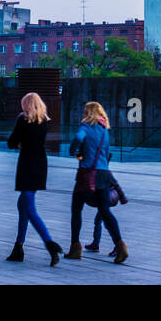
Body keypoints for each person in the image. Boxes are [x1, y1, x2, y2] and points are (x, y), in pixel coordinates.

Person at [64, 101, 127, 264]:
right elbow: (106, 153)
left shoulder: (85, 127)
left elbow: (78, 139)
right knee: (105, 211)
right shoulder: (105, 130)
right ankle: (121, 247)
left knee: (76, 210)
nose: (83, 113)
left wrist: (74, 152)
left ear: (89, 113)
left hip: (87, 174)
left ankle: (75, 248)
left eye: (85, 111)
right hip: (103, 174)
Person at [5, 92, 63, 266]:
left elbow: (11, 142)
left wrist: (19, 143)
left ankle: (49, 243)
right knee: (22, 205)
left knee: (29, 209)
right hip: (40, 164)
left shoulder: (22, 119)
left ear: (26, 105)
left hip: (27, 165)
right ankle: (18, 247)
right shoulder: (44, 120)